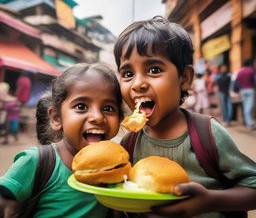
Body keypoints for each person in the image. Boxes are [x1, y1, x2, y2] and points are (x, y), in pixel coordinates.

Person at [113, 16, 256, 218]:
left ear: (185, 79)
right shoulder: (129, 144)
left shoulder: (207, 134)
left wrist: (209, 201)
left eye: (153, 70)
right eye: (127, 73)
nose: (137, 84)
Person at [0, 63, 124, 217]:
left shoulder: (117, 167)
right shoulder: (36, 161)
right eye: (81, 106)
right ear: (56, 118)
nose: (97, 117)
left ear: (120, 119)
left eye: (108, 108)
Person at [236, 58, 256, 130]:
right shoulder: (251, 70)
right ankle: (250, 123)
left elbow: (237, 82)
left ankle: (248, 122)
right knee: (249, 107)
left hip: (242, 91)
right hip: (250, 90)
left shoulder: (240, 71)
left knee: (246, 107)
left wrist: (237, 90)